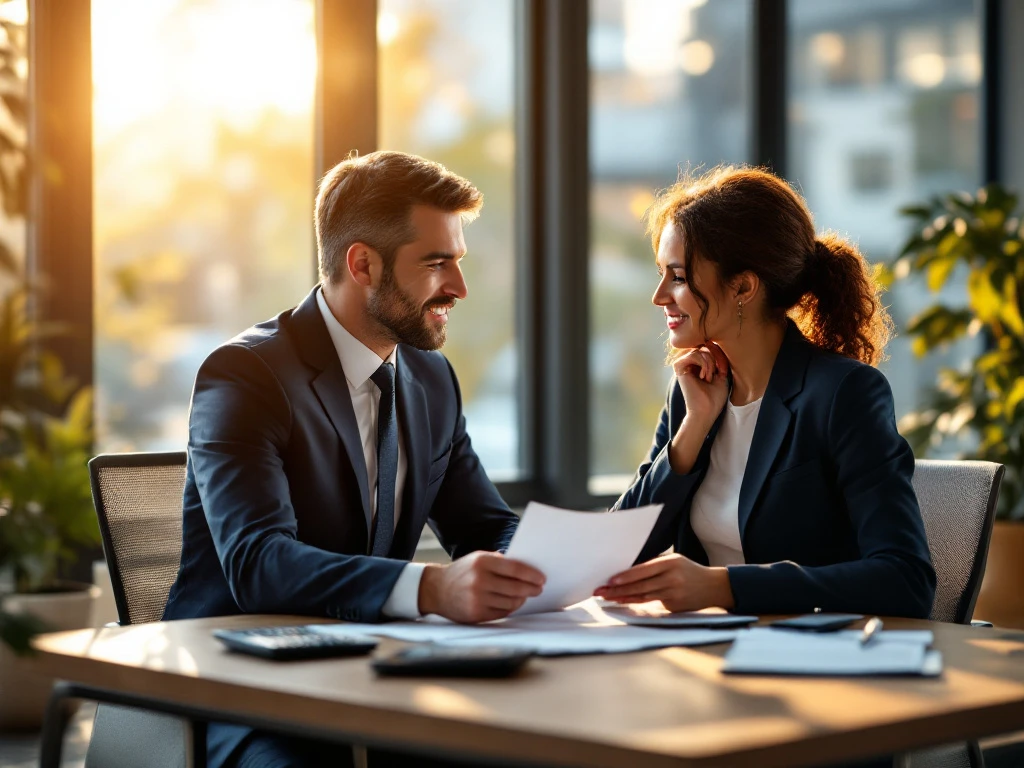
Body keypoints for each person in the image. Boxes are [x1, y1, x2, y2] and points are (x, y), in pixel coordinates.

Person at [162, 150, 545, 768]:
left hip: (376, 675)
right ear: (363, 263)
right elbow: (258, 562)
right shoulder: (247, 375)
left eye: (458, 262)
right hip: (243, 684)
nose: (459, 288)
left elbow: (485, 524)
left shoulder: (430, 378)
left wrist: (553, 566)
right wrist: (433, 588)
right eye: (436, 262)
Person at [595, 166, 936, 620]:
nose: (660, 296)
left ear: (742, 287)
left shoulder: (842, 393)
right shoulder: (691, 394)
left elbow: (905, 579)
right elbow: (614, 555)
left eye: (677, 276)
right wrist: (693, 429)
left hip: (814, 667)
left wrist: (723, 586)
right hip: (708, 655)